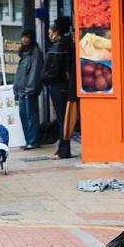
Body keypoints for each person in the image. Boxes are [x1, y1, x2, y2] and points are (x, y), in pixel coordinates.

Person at [43, 16, 74, 159]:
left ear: (56, 32)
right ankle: (62, 149)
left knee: (63, 119)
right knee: (63, 118)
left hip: (59, 86)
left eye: (50, 30)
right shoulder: (65, 44)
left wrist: (44, 79)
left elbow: (54, 69)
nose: (48, 33)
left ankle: (63, 150)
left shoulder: (60, 46)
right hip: (61, 86)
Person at [13, 29, 43, 150]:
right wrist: (16, 89)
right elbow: (19, 73)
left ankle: (33, 141)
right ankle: (28, 140)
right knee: (23, 115)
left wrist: (30, 89)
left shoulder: (35, 53)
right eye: (23, 37)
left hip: (29, 91)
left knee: (31, 117)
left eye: (27, 37)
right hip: (21, 90)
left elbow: (34, 72)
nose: (24, 39)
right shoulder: (24, 53)